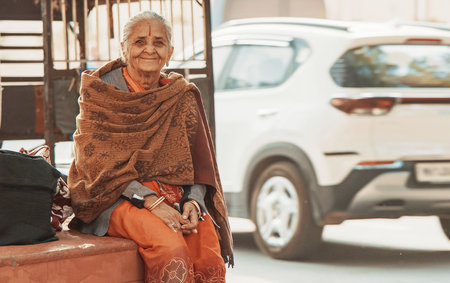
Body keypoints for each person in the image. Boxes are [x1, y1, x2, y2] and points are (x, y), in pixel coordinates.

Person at [68, 10, 233, 283]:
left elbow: (198, 162)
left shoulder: (180, 95)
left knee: (208, 253)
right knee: (172, 250)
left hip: (176, 194)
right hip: (114, 196)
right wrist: (151, 201)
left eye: (158, 42)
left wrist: (193, 200)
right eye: (139, 42)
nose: (149, 50)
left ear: (169, 52)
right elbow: (95, 164)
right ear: (123, 49)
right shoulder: (100, 92)